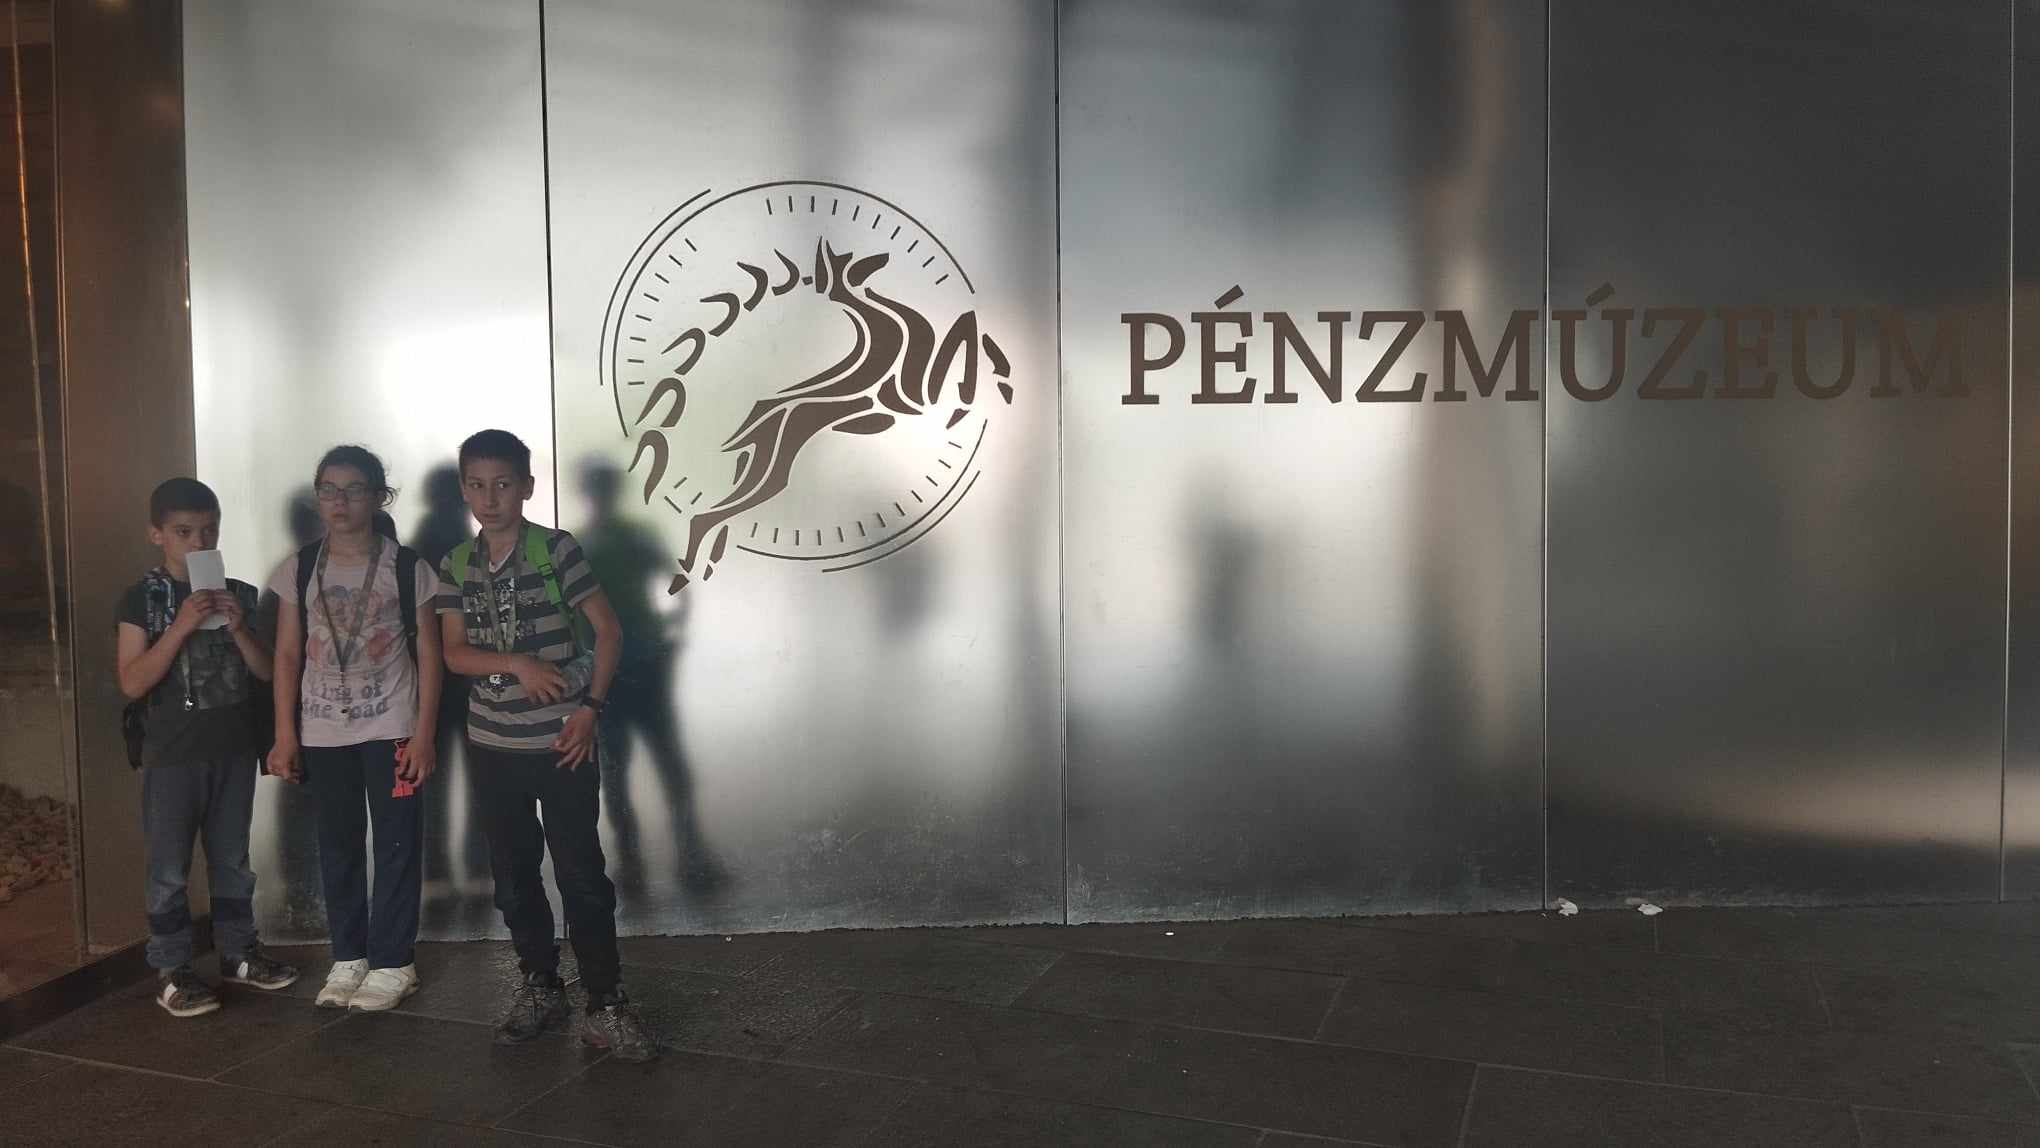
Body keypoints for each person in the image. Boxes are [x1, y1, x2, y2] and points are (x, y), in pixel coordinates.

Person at [435, 429, 654, 1059]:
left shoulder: (557, 550)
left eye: (504, 484)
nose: (490, 498)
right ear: (463, 489)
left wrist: (590, 710)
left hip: (563, 742)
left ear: (528, 487)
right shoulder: (456, 564)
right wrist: (518, 664)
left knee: (582, 874)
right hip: (492, 745)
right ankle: (540, 985)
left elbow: (609, 633)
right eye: (477, 485)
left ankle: (606, 1004)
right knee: (512, 875)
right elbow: (454, 653)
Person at [266, 446, 441, 1012]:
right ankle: (349, 956)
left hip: (393, 725)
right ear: (318, 497)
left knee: (396, 844)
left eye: (355, 490)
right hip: (321, 731)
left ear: (379, 497)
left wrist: (424, 734)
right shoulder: (298, 568)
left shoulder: (408, 568)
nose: (340, 502)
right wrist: (285, 734)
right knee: (337, 844)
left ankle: (393, 962)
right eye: (329, 490)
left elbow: (431, 656)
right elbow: (286, 653)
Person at [115, 477, 297, 1016]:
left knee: (232, 860)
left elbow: (267, 671)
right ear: (157, 534)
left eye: (209, 531)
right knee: (169, 868)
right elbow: (132, 681)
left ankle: (239, 952)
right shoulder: (141, 598)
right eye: (184, 532)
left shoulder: (238, 592)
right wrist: (180, 627)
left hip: (232, 747)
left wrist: (239, 628)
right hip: (171, 753)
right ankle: (172, 968)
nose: (199, 542)